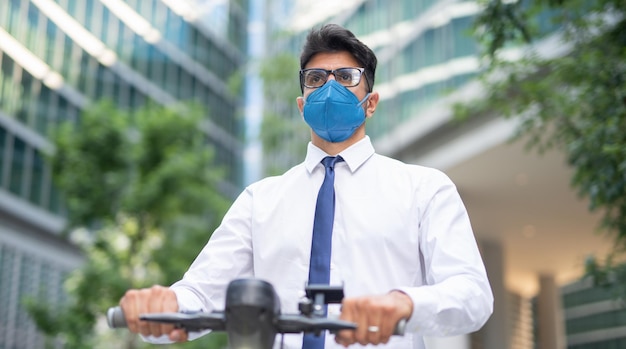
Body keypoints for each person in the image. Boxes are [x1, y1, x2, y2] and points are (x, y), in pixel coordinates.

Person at [119, 23, 493, 349]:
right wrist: (160, 308)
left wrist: (403, 304)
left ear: (371, 102)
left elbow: (472, 295)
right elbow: (198, 295)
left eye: (346, 76)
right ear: (302, 104)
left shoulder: (424, 189)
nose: (330, 86)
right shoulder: (258, 200)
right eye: (316, 79)